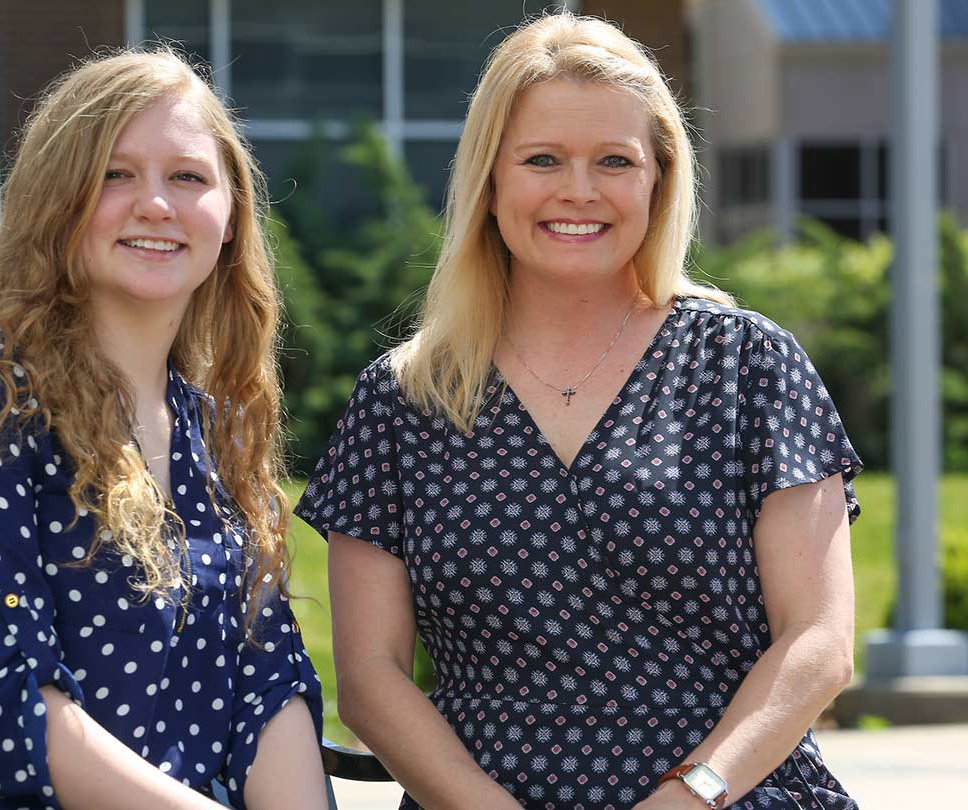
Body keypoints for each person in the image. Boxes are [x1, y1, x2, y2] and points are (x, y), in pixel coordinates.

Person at [295, 12, 862, 810]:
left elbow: (818, 643)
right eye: (542, 159)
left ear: (658, 179)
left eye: (614, 161)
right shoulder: (403, 400)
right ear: (489, 181)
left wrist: (689, 796)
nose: (578, 191)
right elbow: (371, 678)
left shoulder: (749, 366)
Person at [0, 49, 325, 810]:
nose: (155, 203)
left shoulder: (216, 435)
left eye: (187, 177)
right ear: (57, 205)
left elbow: (268, 689)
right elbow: (0, 700)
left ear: (230, 221)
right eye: (114, 175)